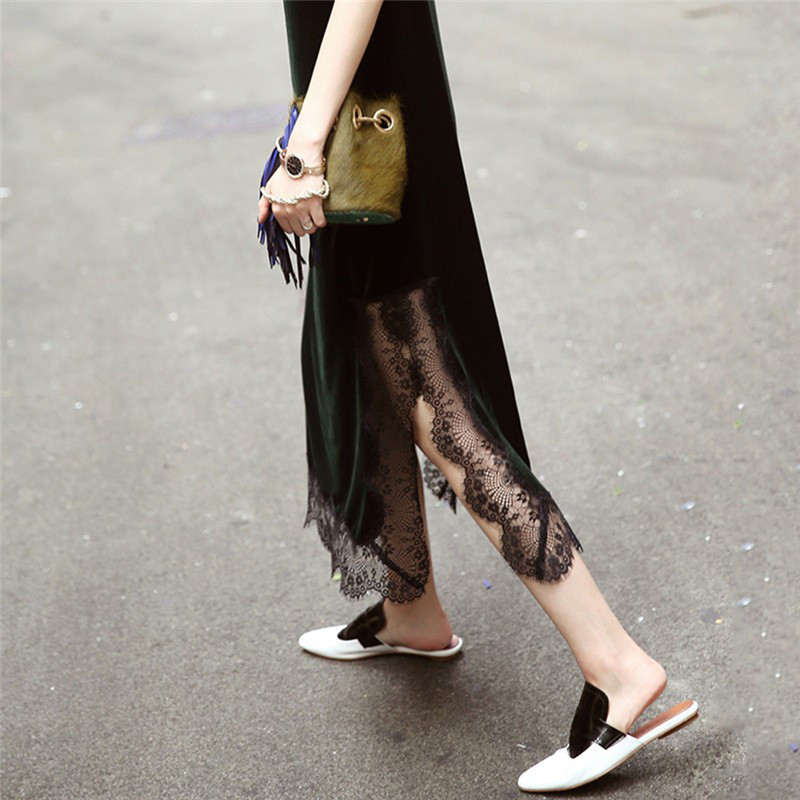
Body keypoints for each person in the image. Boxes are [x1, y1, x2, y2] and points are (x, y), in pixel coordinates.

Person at [256, 1, 698, 792]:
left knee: (427, 380)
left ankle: (619, 668)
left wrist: (306, 145)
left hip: (372, 116)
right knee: (369, 348)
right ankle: (412, 612)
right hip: (370, 105)